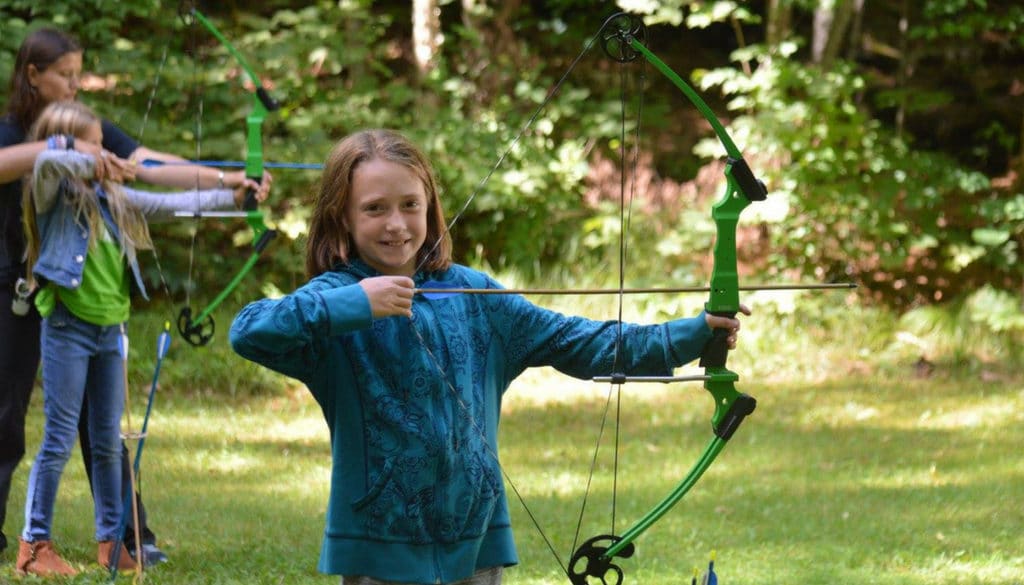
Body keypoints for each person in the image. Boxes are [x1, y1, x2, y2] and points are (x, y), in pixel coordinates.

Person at [229, 129, 748, 585]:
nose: (397, 224)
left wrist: (692, 335)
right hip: (377, 548)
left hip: (475, 540)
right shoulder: (334, 306)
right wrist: (354, 304)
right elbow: (249, 331)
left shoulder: (475, 295)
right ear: (341, 215)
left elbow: (580, 340)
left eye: (411, 205)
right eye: (374, 208)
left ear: (431, 207)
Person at [0, 27, 262, 565]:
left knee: (104, 432)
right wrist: (74, 150)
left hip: (98, 316)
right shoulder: (31, 144)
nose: (75, 85)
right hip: (21, 286)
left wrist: (231, 184)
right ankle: (33, 541)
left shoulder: (95, 159)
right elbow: (44, 167)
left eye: (79, 74)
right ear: (33, 75)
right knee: (12, 421)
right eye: (64, 75)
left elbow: (146, 171)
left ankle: (121, 537)